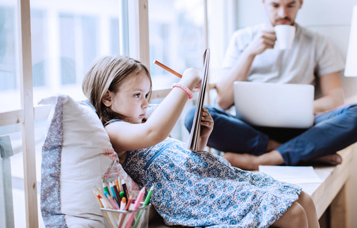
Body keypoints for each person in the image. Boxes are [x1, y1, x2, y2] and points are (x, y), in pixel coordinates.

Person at [82, 55, 320, 228]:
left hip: (209, 178)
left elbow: (180, 160)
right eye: (137, 95)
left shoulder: (141, 121)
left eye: (147, 94)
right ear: (107, 98)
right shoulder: (114, 130)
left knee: (304, 200)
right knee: (293, 214)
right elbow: (153, 134)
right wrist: (184, 84)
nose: (145, 102)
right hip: (191, 195)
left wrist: (200, 140)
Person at [185, 0, 357, 170]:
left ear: (300, 2)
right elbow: (223, 101)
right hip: (249, 129)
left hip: (301, 128)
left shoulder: (318, 43)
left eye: (290, 5)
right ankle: (294, 153)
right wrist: (250, 53)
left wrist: (296, 110)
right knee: (194, 117)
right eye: (275, 5)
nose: (283, 13)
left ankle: (262, 160)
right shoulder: (243, 40)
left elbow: (335, 99)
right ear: (263, 1)